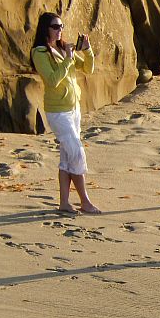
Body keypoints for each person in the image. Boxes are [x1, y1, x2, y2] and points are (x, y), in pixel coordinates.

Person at [30, 12, 100, 214]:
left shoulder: (62, 48)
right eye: (55, 26)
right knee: (77, 153)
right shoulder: (40, 52)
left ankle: (64, 203)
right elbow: (52, 80)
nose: (60, 30)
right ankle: (85, 201)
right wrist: (68, 59)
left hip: (73, 108)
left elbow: (88, 68)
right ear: (46, 29)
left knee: (67, 158)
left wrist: (88, 51)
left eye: (61, 26)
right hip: (57, 112)